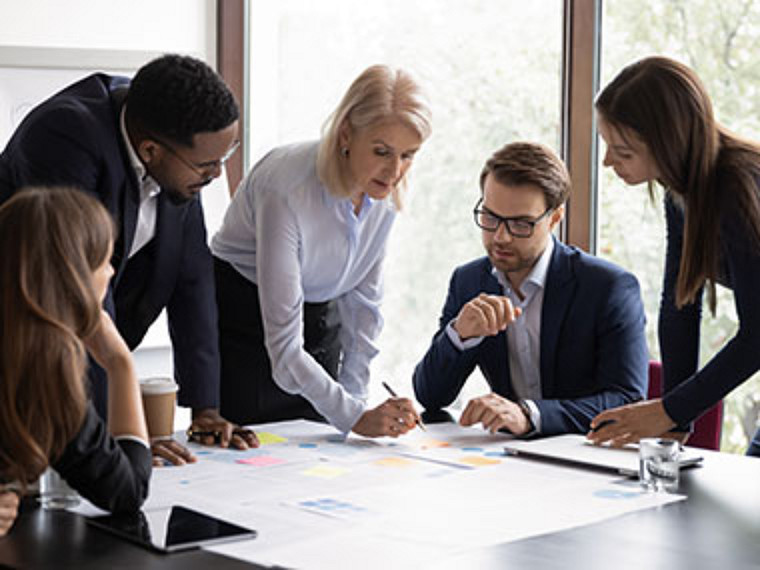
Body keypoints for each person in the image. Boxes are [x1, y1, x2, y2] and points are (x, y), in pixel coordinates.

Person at [0, 54, 258, 465]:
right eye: (208, 165)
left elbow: (193, 279)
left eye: (224, 159)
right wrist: (121, 437)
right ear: (151, 150)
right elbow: (78, 296)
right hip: (21, 354)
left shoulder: (178, 157)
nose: (215, 177)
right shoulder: (65, 138)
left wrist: (206, 408)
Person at [211, 65, 431, 437]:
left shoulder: (385, 192)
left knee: (324, 453)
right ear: (346, 134)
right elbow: (283, 352)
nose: (395, 170)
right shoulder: (285, 189)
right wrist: (354, 416)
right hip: (243, 323)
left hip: (318, 320)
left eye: (409, 155)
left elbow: (364, 310)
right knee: (258, 461)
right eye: (382, 151)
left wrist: (356, 402)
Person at [413, 142, 648, 436]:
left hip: (584, 456)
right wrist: (460, 334)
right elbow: (431, 397)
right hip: (507, 461)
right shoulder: (469, 280)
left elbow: (627, 400)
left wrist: (530, 415)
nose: (501, 237)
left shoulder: (608, 287)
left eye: (521, 224)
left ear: (554, 218)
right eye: (490, 217)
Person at [588, 56, 760, 456]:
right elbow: (680, 304)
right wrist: (675, 422)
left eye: (623, 151)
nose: (608, 162)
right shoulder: (681, 192)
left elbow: (757, 336)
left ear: (668, 144)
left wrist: (670, 409)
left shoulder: (738, 188)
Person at [0, 187, 152, 536]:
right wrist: (119, 363)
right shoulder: (47, 372)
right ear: (72, 276)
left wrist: (120, 364)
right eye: (103, 261)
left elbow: (123, 491)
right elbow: (127, 492)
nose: (111, 273)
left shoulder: (44, 368)